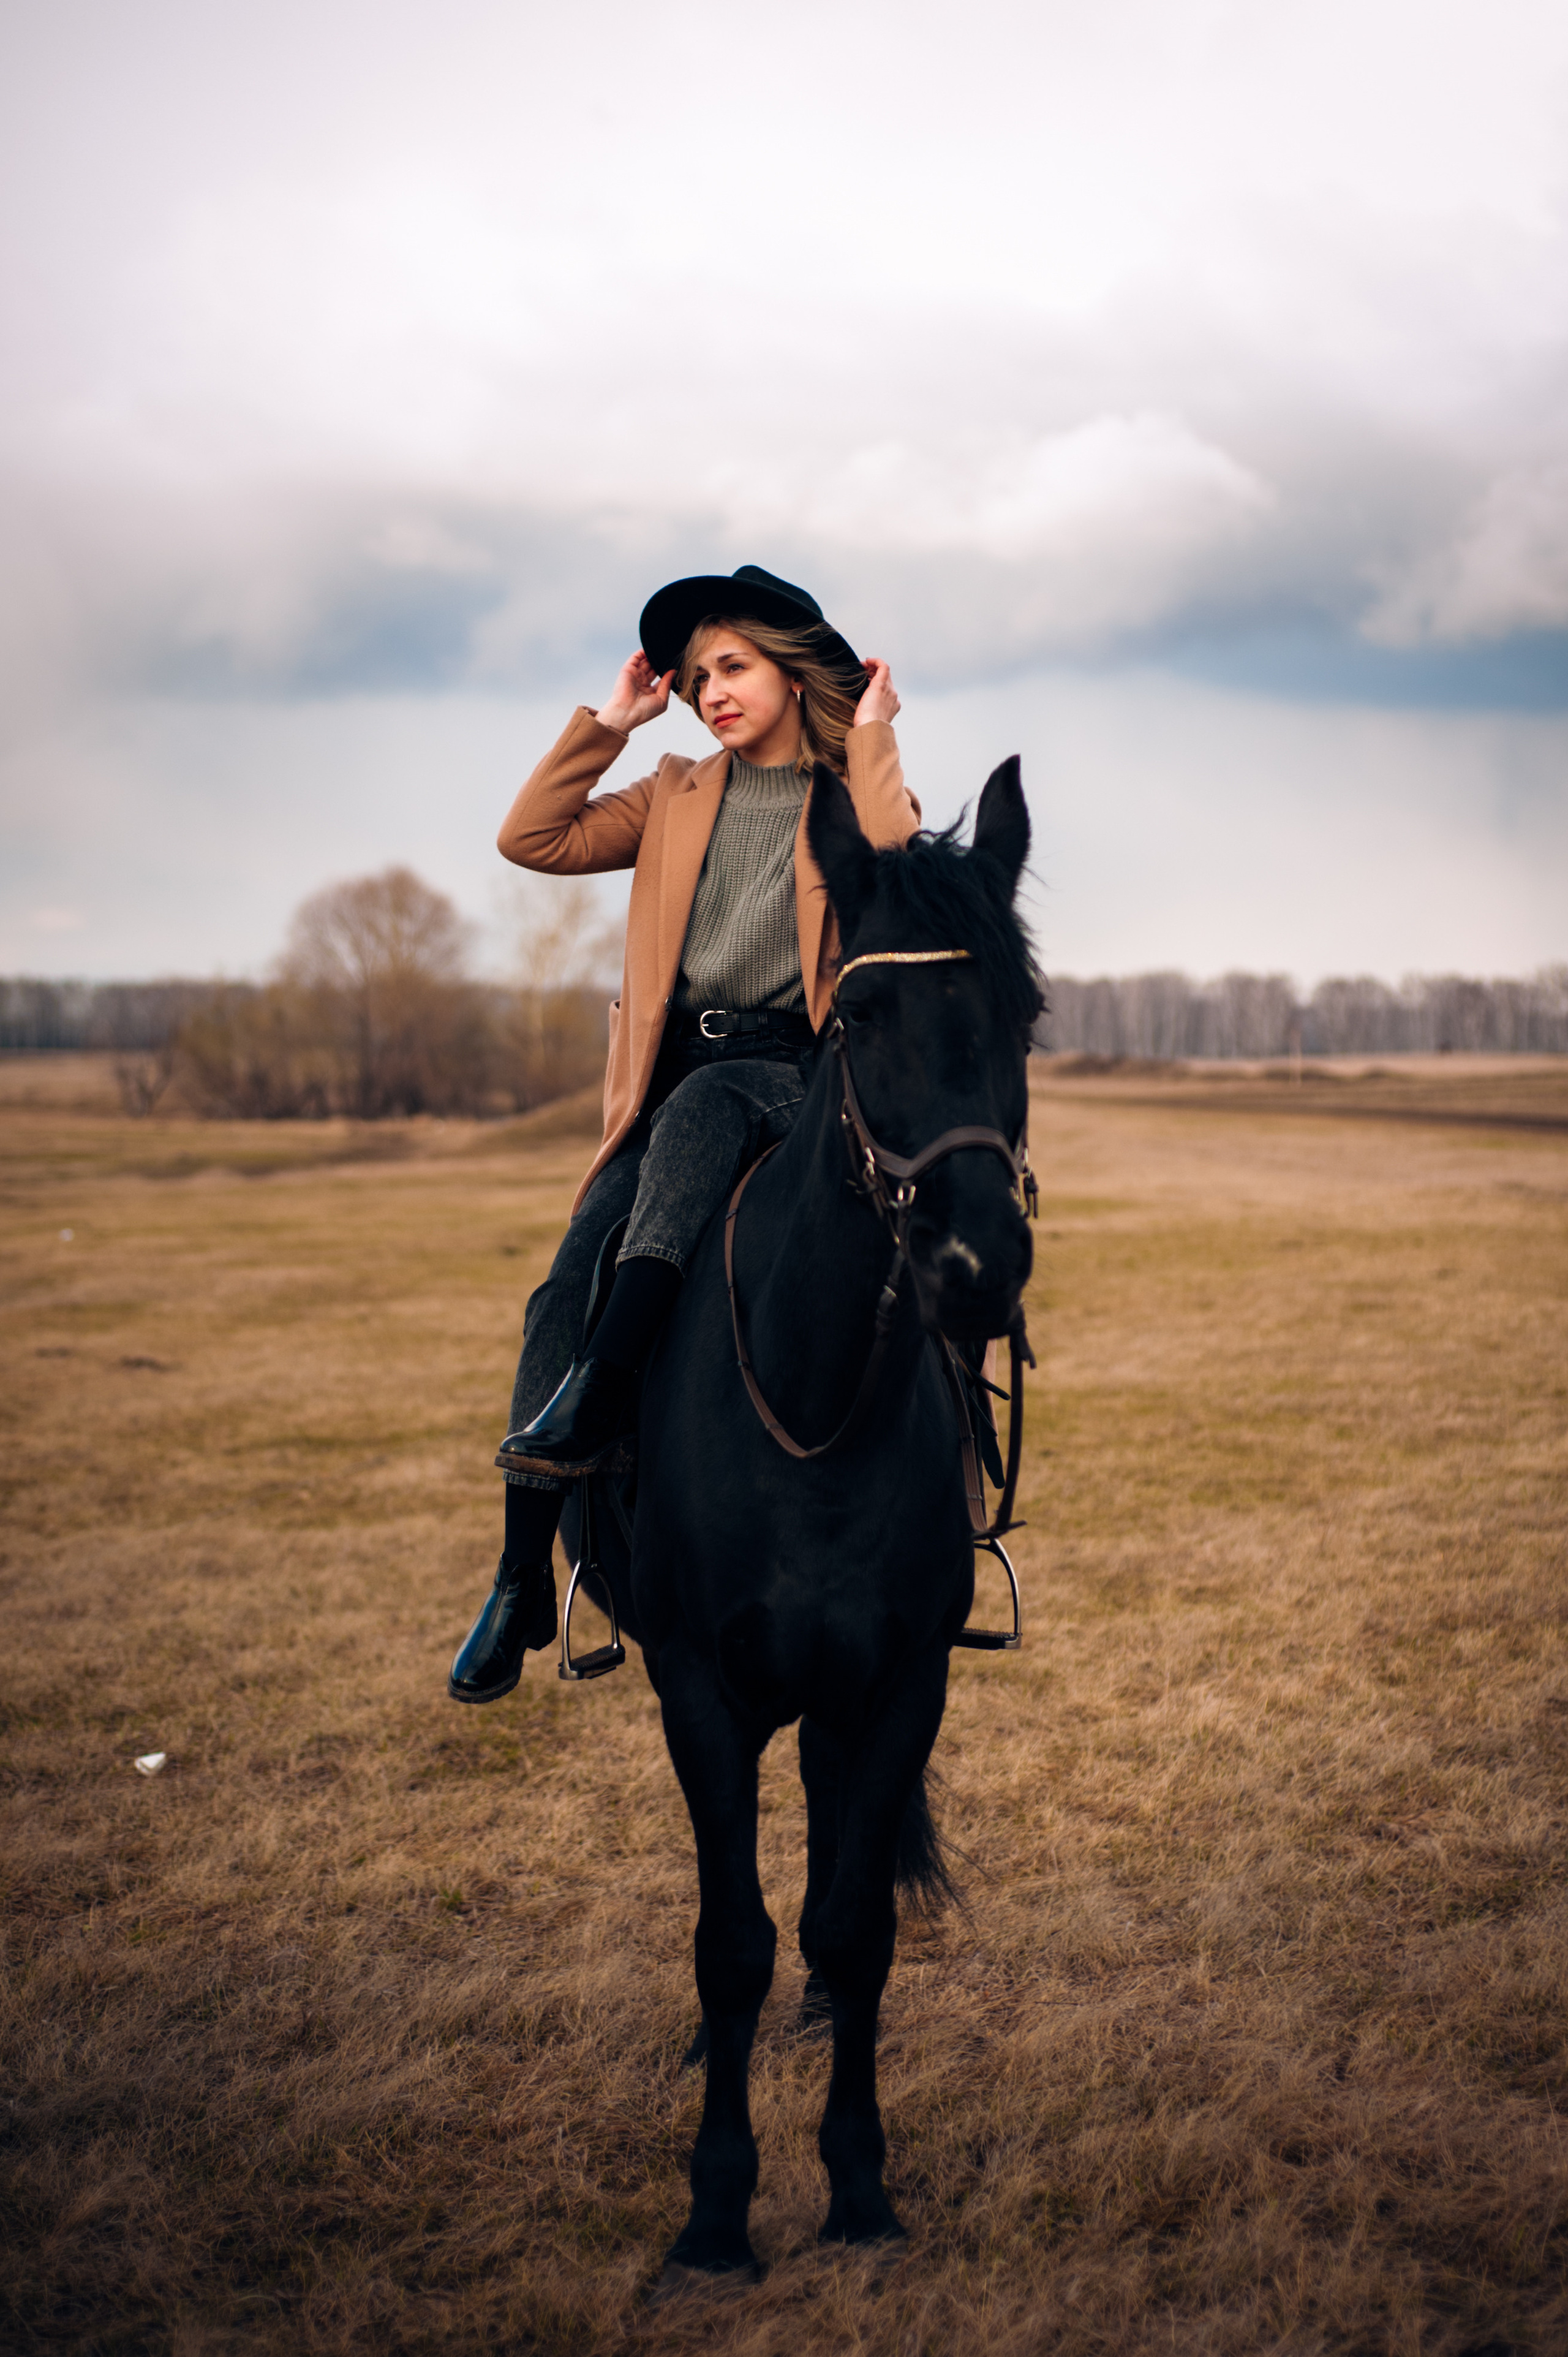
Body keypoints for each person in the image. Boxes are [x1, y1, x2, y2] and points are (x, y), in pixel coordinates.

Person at [448, 565, 921, 1704]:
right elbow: (531, 838)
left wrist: (871, 735)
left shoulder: (845, 794)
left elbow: (899, 863)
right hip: (670, 1090)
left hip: (796, 1081)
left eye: (733, 667)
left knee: (710, 1114)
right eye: (698, 676)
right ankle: (518, 1578)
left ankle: (606, 1385)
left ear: (792, 672)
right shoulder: (671, 793)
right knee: (560, 1286)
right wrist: (611, 725)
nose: (711, 691)